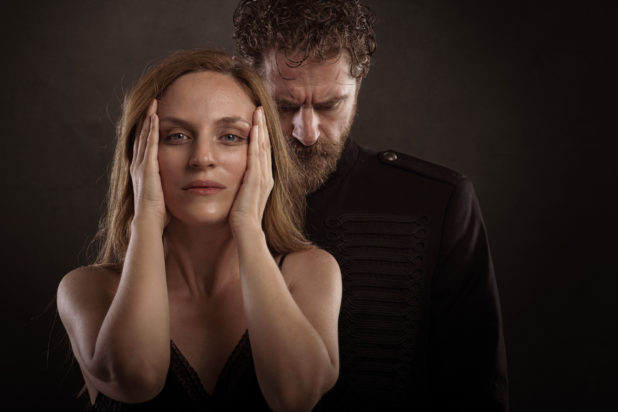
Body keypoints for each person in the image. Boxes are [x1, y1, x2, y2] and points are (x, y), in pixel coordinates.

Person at [233, 0, 509, 410]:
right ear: (250, 87)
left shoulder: (438, 201)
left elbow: (476, 392)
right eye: (284, 106)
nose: (307, 132)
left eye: (330, 105)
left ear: (358, 85)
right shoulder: (204, 196)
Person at [56, 49, 341, 411]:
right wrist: (146, 217)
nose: (202, 158)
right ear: (140, 156)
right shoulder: (88, 289)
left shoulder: (310, 273)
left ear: (264, 153)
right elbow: (138, 376)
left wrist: (248, 227)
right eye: (176, 136)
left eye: (231, 137)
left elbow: (294, 396)